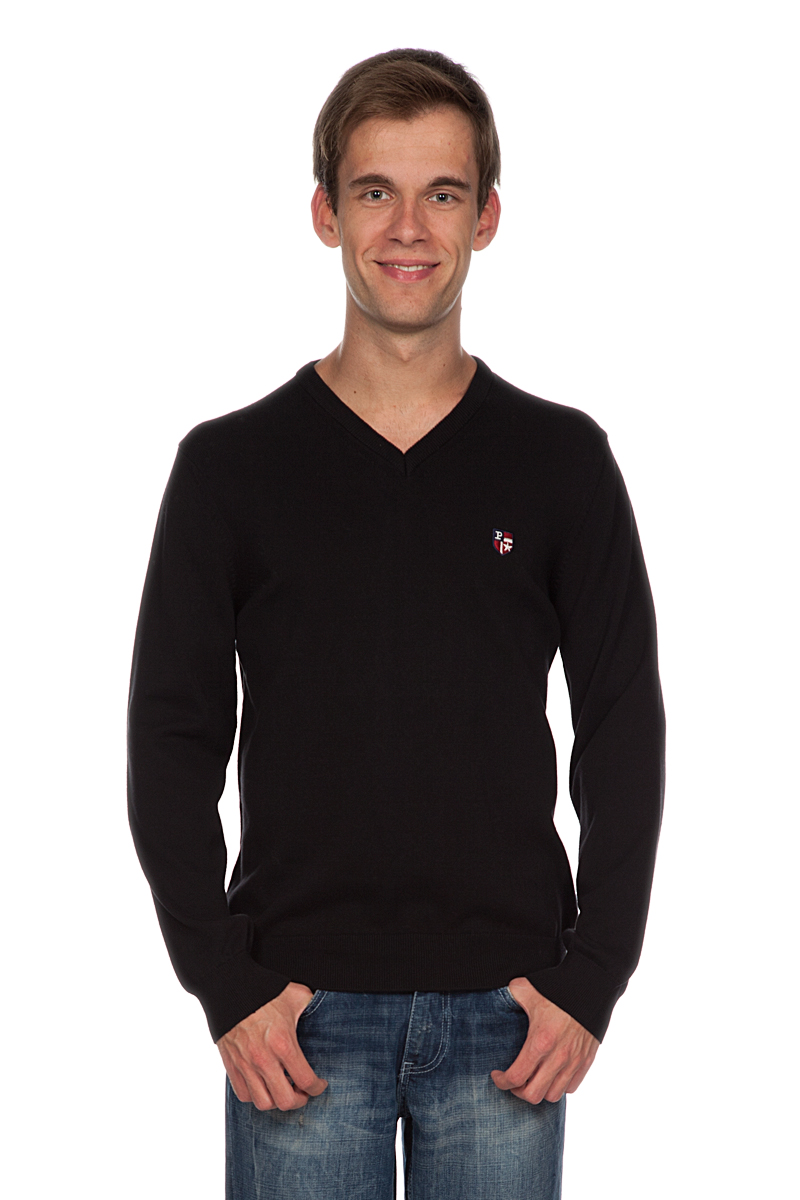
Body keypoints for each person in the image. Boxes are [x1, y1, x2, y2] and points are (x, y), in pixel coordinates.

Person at [127, 47, 665, 1200]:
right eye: (374, 191)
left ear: (486, 218)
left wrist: (591, 978)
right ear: (325, 214)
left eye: (442, 193)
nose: (408, 228)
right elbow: (170, 739)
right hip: (295, 1020)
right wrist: (222, 983)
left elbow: (621, 725)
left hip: (509, 1019)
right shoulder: (229, 468)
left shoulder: (561, 462)